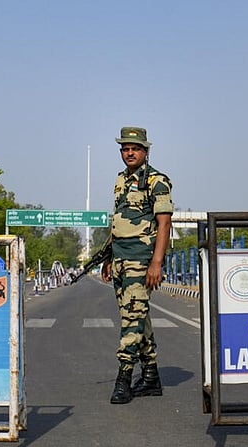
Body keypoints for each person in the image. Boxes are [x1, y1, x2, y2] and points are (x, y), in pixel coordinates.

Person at [101, 126, 173, 404]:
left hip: (141, 261)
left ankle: (124, 379)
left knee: (131, 320)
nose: (129, 152)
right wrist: (108, 256)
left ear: (146, 151)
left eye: (135, 148)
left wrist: (156, 262)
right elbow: (117, 221)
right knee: (137, 317)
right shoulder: (120, 181)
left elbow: (164, 223)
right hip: (120, 259)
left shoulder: (157, 181)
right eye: (125, 148)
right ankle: (151, 376)